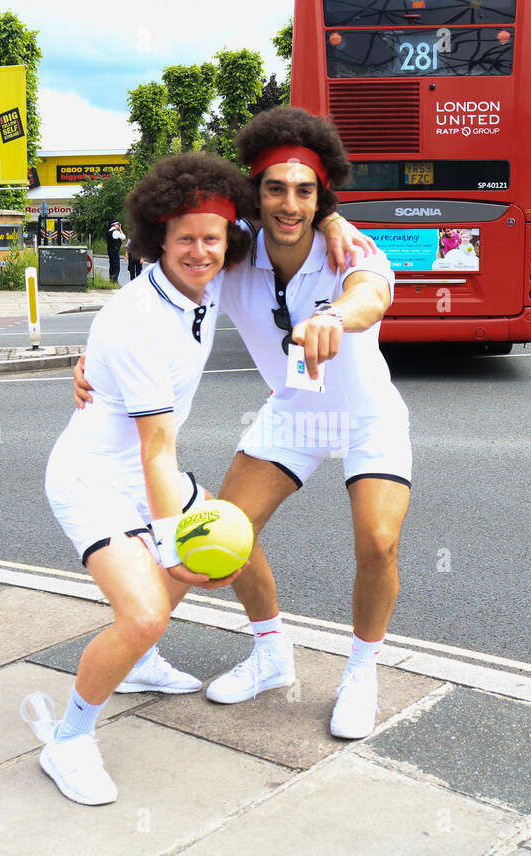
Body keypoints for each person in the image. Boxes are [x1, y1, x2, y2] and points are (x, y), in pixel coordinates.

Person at [28, 152, 256, 805]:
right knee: (148, 608)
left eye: (213, 237)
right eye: (185, 237)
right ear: (158, 237)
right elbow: (158, 448)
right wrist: (168, 545)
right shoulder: (137, 320)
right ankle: (67, 740)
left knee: (221, 538)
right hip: (94, 479)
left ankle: (137, 662)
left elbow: (286, 222)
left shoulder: (207, 280)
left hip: (146, 472)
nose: (201, 250)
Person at [200, 107, 407, 740]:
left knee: (377, 541)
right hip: (293, 414)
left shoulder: (349, 248)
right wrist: (97, 355)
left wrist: (336, 317)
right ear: (254, 193)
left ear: (321, 198)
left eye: (305, 191)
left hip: (367, 416)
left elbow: (373, 294)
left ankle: (362, 670)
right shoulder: (230, 259)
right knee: (224, 542)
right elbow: (166, 275)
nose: (289, 204)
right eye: (275, 188)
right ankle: (270, 653)